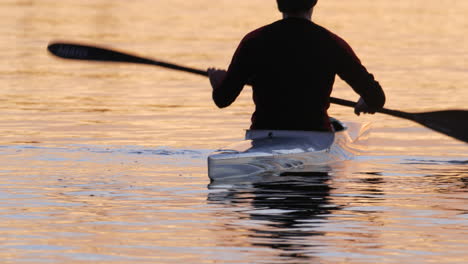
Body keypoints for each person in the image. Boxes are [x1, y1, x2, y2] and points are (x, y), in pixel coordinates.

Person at [208, 0, 385, 131]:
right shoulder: (332, 43)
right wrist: (366, 100)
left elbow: (223, 99)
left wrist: (218, 82)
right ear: (314, 2)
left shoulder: (253, 41)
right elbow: (377, 98)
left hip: (264, 135)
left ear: (278, 4)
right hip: (315, 135)